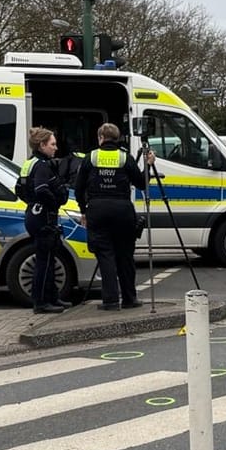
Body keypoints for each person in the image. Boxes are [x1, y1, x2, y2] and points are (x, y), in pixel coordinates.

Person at [75, 122, 155, 311]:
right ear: (117, 138)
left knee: (105, 255)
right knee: (125, 256)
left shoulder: (90, 158)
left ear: (100, 137)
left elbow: (79, 189)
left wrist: (83, 211)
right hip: (122, 211)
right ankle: (129, 299)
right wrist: (148, 165)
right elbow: (141, 183)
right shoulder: (124, 158)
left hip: (98, 209)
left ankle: (110, 300)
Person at [19, 127, 75, 314]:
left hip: (34, 215)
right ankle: (42, 303)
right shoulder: (42, 165)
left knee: (50, 258)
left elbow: (19, 189)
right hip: (43, 217)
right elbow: (42, 189)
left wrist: (32, 203)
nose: (56, 148)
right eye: (52, 144)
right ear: (42, 145)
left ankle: (52, 298)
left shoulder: (30, 162)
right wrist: (53, 204)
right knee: (44, 261)